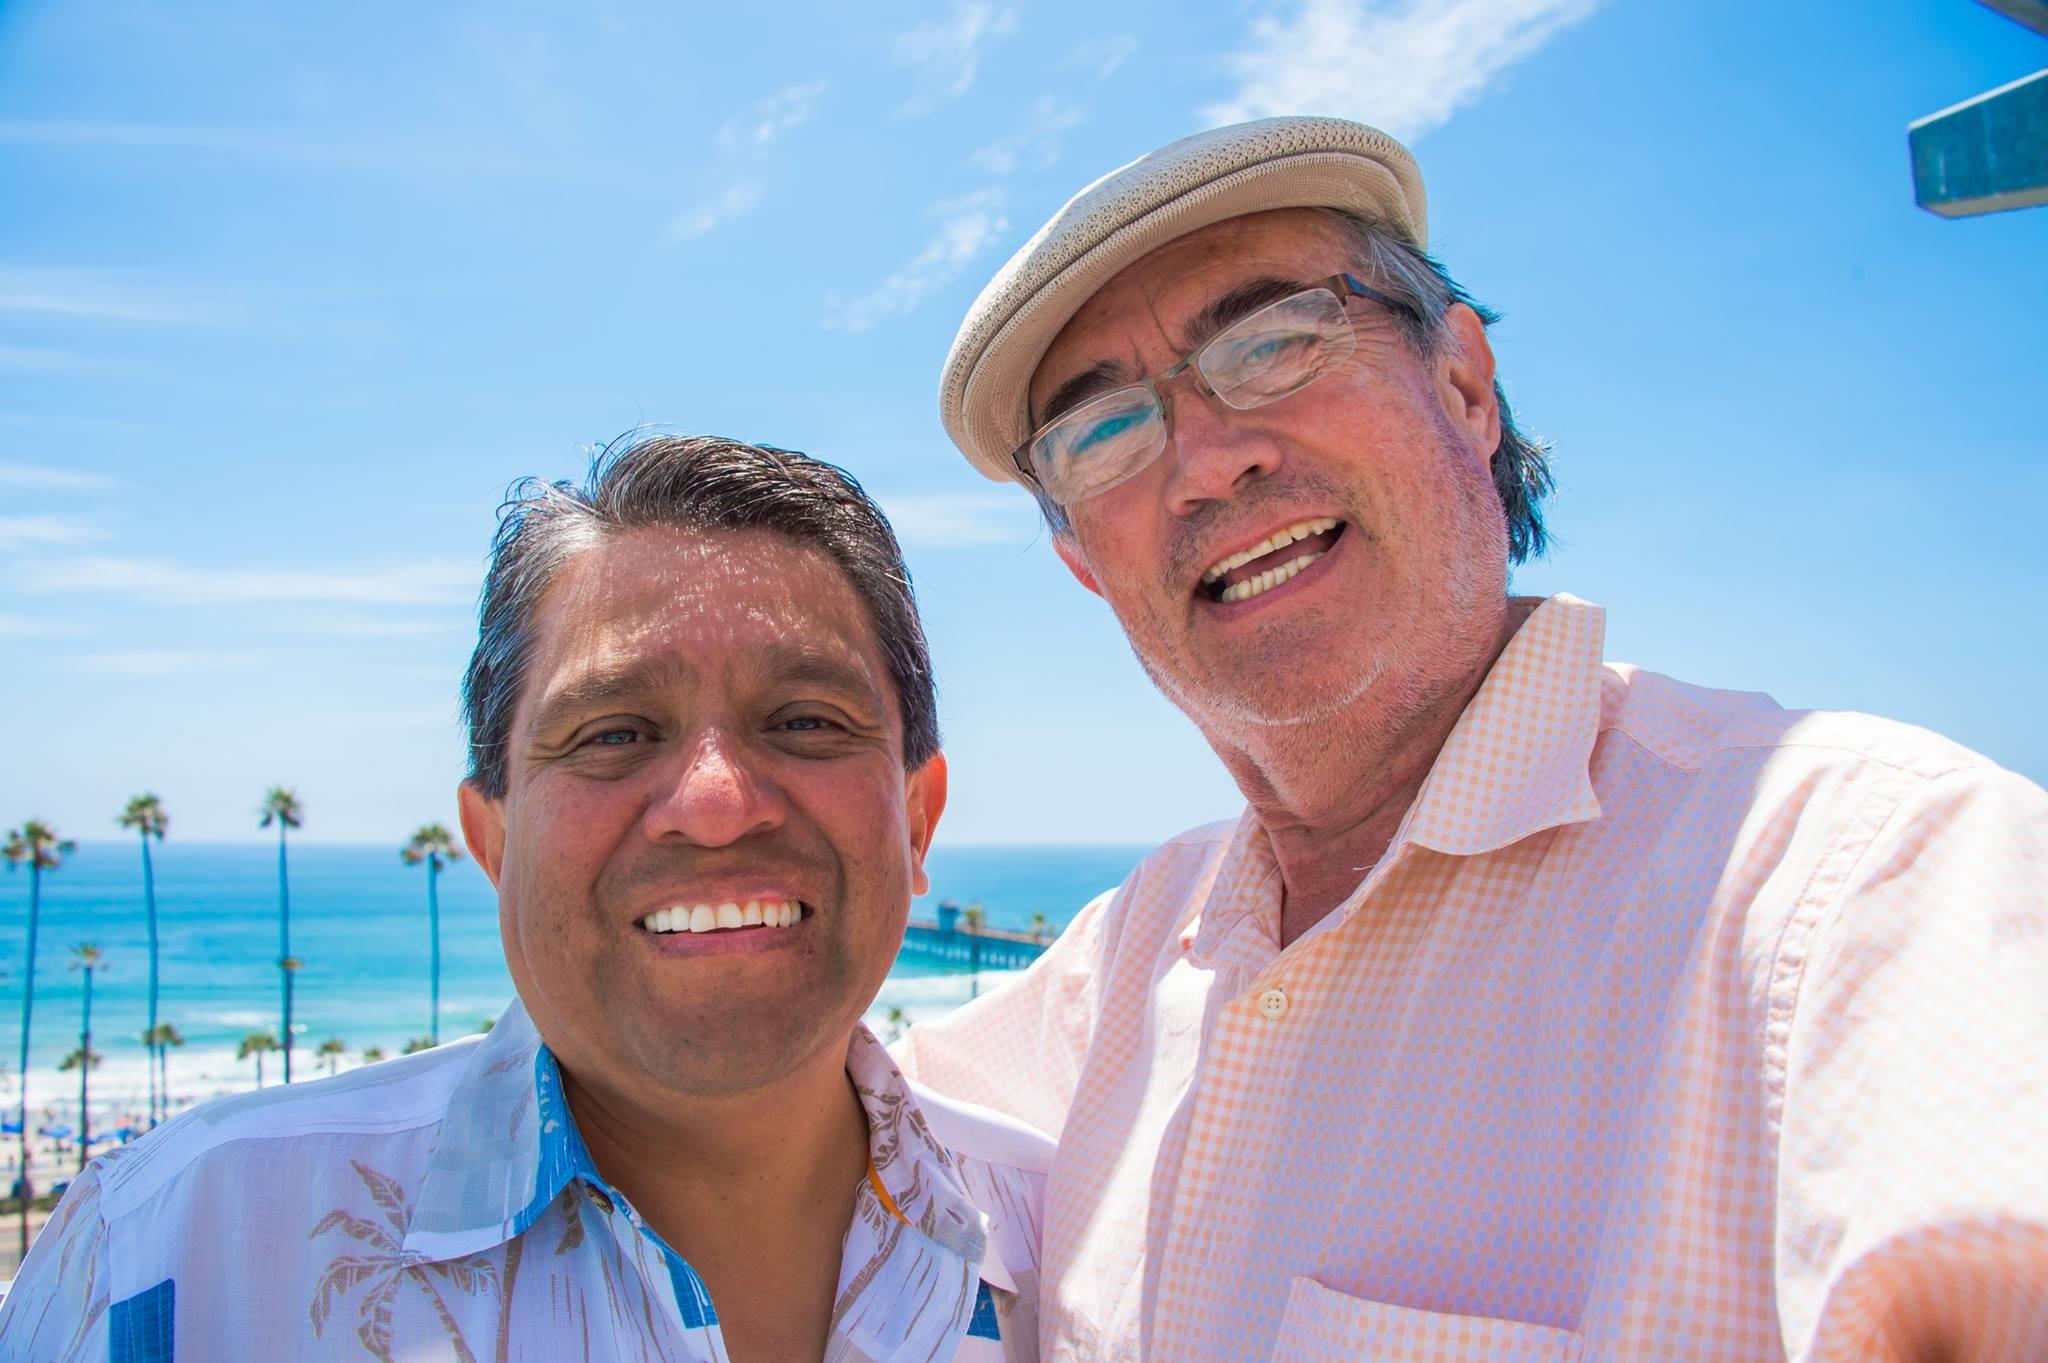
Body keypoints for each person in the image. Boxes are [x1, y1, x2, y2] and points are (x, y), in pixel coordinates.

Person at [895, 116, 2048, 1360]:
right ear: (1082, 561)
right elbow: (792, 1142)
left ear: (1461, 384)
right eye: (1102, 432)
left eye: (1274, 343)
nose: (1205, 464)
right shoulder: (1120, 966)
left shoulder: (1862, 883)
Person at [0, 435, 1048, 1362]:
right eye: (614, 732)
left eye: (807, 721)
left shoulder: (1076, 1246)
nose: (716, 803)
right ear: (492, 837)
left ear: (916, 819)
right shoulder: (174, 1255)